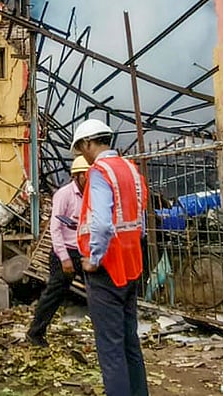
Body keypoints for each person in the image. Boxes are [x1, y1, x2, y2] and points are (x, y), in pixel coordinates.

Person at [73, 119, 149, 396]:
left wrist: (94, 258)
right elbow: (138, 221)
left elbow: (103, 224)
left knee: (110, 347)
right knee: (130, 342)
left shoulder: (100, 172)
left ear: (89, 143)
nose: (83, 155)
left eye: (82, 149)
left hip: (106, 269)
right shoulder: (131, 169)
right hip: (131, 266)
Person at [26, 156, 90, 347]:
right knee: (54, 293)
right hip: (66, 253)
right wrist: (64, 258)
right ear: (77, 176)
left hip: (84, 252)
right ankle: (35, 332)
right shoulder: (64, 195)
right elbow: (56, 228)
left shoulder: (91, 195)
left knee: (97, 291)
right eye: (87, 175)